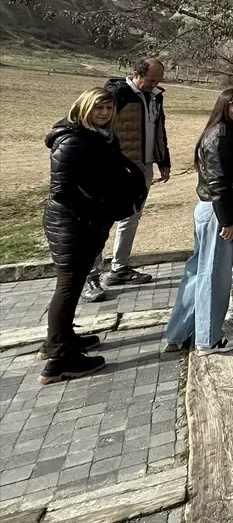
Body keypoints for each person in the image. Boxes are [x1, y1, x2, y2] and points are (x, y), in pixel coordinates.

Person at [39, 88, 148, 384]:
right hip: (72, 223)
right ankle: (59, 359)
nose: (104, 113)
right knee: (68, 285)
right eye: (98, 107)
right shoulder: (73, 141)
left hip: (85, 222)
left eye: (109, 108)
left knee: (70, 286)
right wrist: (95, 212)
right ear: (83, 107)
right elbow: (62, 191)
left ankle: (62, 338)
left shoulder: (97, 136)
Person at [164, 88, 233, 356]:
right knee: (214, 275)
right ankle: (209, 339)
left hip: (209, 209)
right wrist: (228, 219)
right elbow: (218, 182)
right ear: (223, 106)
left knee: (197, 271)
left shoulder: (224, 132)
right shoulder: (221, 136)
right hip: (217, 211)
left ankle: (178, 333)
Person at [82, 58, 171, 303]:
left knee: (131, 219)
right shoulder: (114, 94)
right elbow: (95, 127)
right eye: (151, 80)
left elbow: (159, 127)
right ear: (135, 74)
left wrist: (163, 160)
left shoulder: (155, 95)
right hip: (116, 167)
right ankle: (90, 275)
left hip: (143, 166)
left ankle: (119, 269)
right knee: (100, 222)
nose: (154, 84)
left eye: (158, 81)